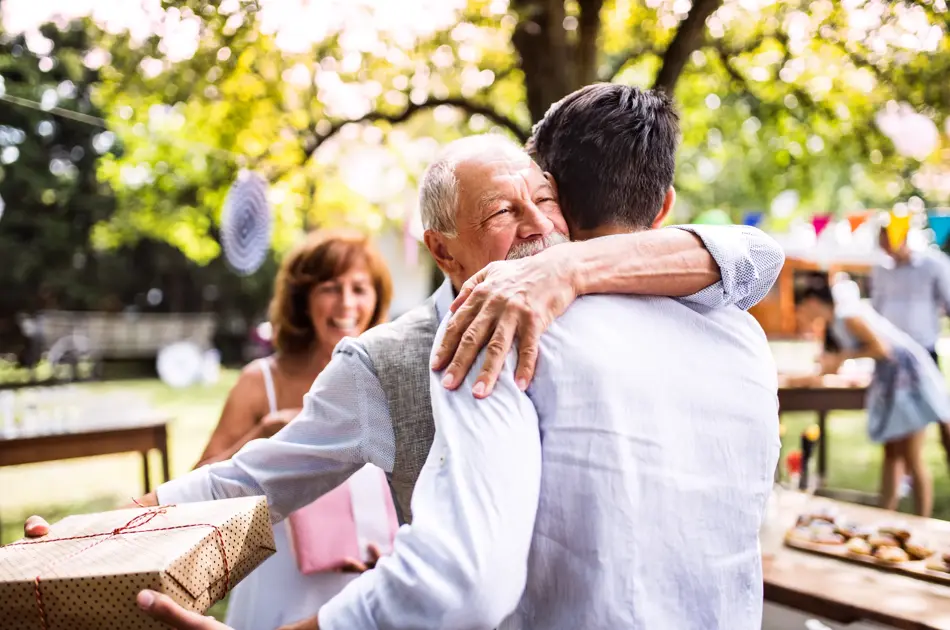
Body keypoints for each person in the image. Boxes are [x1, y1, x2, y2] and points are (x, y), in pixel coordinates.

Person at [26, 137, 785, 627]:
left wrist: (574, 266)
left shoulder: (630, 306)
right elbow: (254, 481)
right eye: (501, 211)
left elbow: (755, 255)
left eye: (543, 199)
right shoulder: (394, 359)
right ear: (443, 250)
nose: (537, 225)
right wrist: (102, 531)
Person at [202, 229, 397, 630]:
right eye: (330, 288)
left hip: (367, 589)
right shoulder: (262, 382)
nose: (347, 303)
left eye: (360, 288)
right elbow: (200, 486)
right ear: (302, 298)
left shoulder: (389, 377)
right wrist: (261, 433)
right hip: (278, 586)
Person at [797, 275, 950, 517]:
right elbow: (837, 360)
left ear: (814, 302)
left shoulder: (848, 315)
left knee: (911, 455)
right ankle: (885, 515)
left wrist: (843, 358)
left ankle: (923, 520)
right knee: (891, 452)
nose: (802, 312)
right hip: (892, 382)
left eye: (803, 306)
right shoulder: (835, 323)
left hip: (908, 379)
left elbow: (882, 348)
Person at [872, 227, 950, 470]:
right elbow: (876, 311)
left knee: (941, 416)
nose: (886, 249)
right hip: (890, 356)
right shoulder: (881, 270)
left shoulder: (932, 264)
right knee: (895, 426)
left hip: (923, 352)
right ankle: (902, 478)